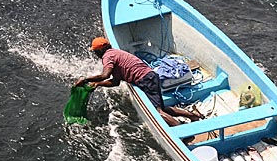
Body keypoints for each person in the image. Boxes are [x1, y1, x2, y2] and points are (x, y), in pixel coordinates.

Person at [74, 37, 202, 127]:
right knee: (161, 108)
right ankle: (193, 116)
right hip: (151, 76)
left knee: (157, 112)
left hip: (145, 80)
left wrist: (86, 79)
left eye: (95, 51)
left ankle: (179, 129)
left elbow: (105, 75)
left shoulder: (108, 57)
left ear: (100, 50)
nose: (95, 53)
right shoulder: (115, 53)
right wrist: (98, 84)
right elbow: (115, 82)